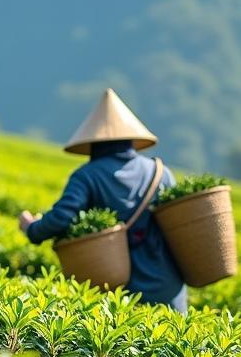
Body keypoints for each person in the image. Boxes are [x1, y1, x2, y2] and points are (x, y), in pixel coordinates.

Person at [18, 88, 187, 311]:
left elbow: (62, 218)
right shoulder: (161, 172)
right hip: (169, 290)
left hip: (118, 292)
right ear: (130, 139)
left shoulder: (87, 175)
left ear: (93, 142)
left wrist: (32, 228)